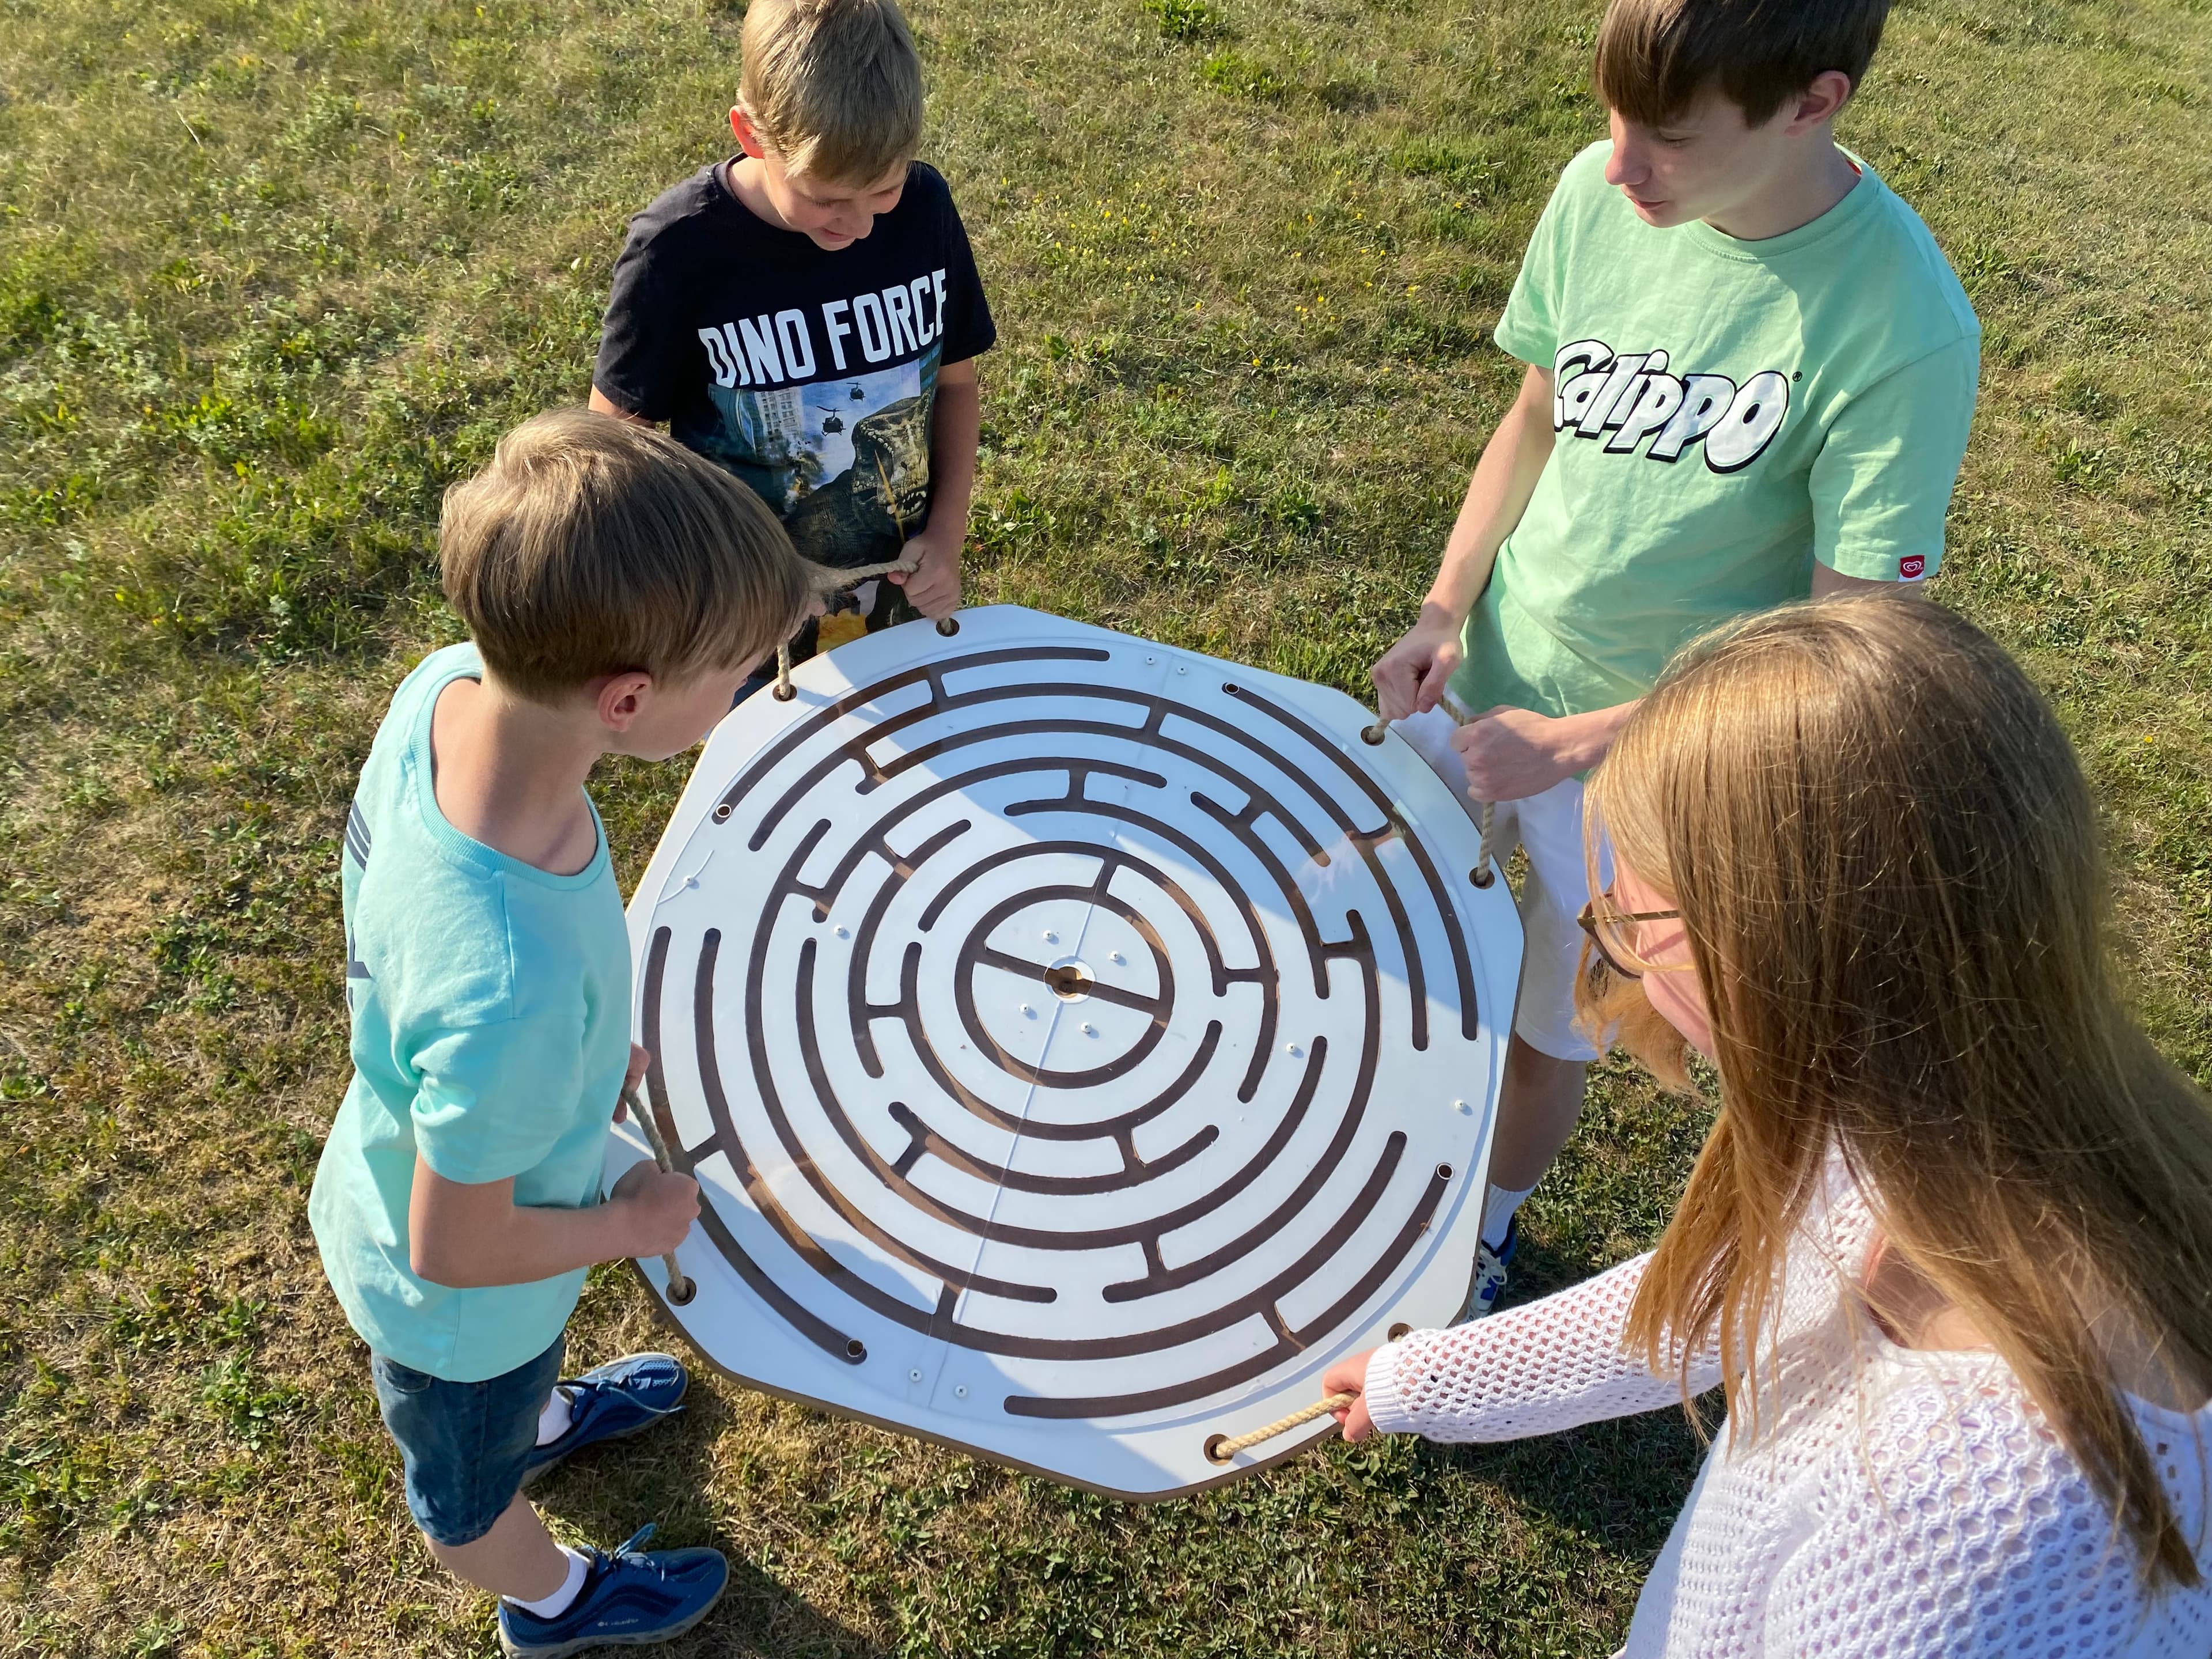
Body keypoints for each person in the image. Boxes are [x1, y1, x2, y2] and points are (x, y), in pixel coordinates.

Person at [1324, 596, 2212, 1656]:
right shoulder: (1934, 1123)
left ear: (1772, 957)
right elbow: (1721, 1294)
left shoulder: (1956, 1522)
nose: (1614, 958)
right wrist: (1423, 1382)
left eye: (1627, 922)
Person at [1372, 0, 1981, 1319]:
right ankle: (1365, 1163)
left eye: (1670, 138)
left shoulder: (1900, 323)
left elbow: (1843, 646)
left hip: (1651, 784)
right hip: (1484, 676)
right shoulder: (1601, 193)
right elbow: (1534, 413)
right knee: (1391, 936)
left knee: (1548, 1028)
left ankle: (1477, 1233)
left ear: (1811, 104)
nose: (1620, 164)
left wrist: (1581, 740)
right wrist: (1438, 607)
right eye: (1612, 118)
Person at [307, 411, 820, 1654]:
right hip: (458, 1310)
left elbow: (481, 1023)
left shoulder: (450, 686)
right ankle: (550, 1600)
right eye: (740, 672)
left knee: (510, 1402)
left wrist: (577, 1067)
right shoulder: (506, 989)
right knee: (467, 1493)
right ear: (631, 698)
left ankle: (536, 1420)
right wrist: (629, 1226)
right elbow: (459, 1243)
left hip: (457, 1140)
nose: (750, 686)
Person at [590, 0, 994, 686]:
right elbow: (612, 450)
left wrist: (948, 536)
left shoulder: (924, 210)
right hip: (746, 614)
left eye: (884, 189)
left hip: (903, 582)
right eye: (827, 197)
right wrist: (734, 575)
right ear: (751, 134)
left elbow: (955, 383)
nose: (861, 225)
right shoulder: (678, 250)